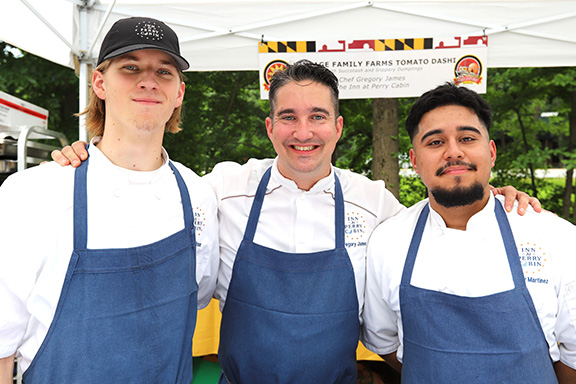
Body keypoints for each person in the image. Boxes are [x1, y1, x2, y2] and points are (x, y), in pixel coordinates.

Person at [51, 61, 538, 383]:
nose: (303, 133)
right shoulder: (221, 189)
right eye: (288, 117)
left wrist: (492, 196)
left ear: (339, 126)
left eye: (318, 117)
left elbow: (440, 222)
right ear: (269, 127)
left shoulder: (375, 204)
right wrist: (92, 159)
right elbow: (148, 184)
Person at [0, 17, 219, 384]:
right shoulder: (32, 193)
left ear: (179, 93)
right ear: (99, 83)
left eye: (165, 71)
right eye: (130, 67)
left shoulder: (198, 195)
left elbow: (199, 296)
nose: (148, 80)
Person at [362, 83, 576, 383]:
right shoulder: (387, 242)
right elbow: (385, 344)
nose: (453, 152)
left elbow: (574, 357)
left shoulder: (554, 236)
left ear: (491, 152)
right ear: (413, 160)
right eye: (435, 142)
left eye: (466, 138)